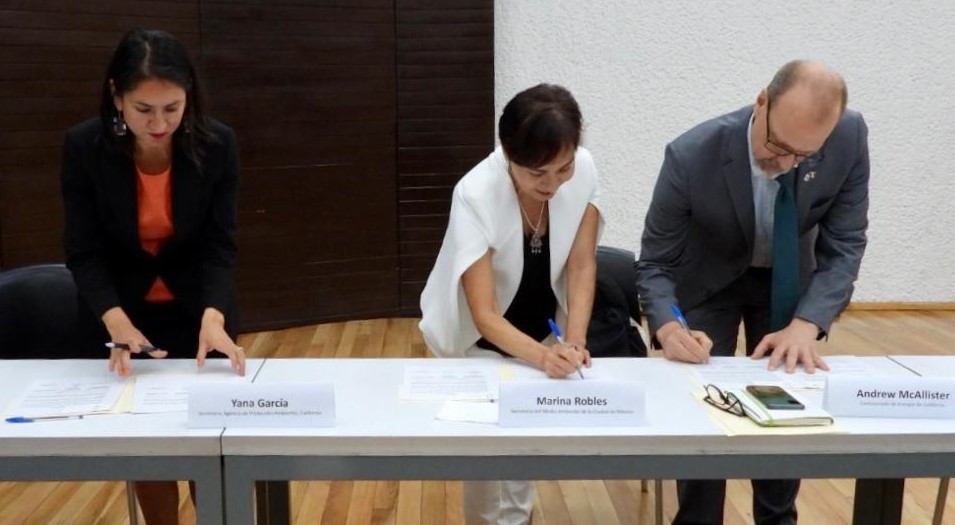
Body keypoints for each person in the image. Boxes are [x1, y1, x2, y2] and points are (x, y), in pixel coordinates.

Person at [636, 60, 869, 524]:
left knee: (784, 406)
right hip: (708, 280)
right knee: (704, 405)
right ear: (761, 101)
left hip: (787, 279)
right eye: (778, 145)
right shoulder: (691, 154)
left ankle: (778, 517)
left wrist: (807, 323)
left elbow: (845, 244)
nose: (785, 163)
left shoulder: (849, 137)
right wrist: (666, 325)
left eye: (804, 156)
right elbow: (656, 262)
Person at [61, 28, 246, 525]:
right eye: (144, 109)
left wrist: (215, 316)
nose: (160, 123)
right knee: (149, 446)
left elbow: (218, 246)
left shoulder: (218, 145)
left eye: (173, 107)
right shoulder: (84, 147)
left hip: (199, 313)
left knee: (211, 443)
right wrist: (116, 324)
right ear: (116, 96)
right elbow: (84, 253)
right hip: (122, 316)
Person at [419, 83, 602, 525]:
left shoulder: (585, 171)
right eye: (538, 174)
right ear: (508, 155)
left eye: (564, 168)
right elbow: (483, 313)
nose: (553, 184)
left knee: (523, 456)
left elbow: (580, 266)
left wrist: (573, 341)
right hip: (477, 342)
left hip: (541, 328)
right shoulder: (475, 193)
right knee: (486, 471)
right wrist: (544, 357)